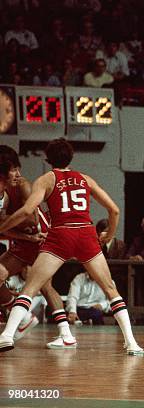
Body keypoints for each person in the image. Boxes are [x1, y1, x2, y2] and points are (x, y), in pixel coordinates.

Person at [0, 138, 142, 355]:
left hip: (61, 235)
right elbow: (114, 210)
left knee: (31, 287)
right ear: (71, 157)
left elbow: (28, 210)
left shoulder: (46, 180)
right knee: (111, 290)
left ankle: (7, 335)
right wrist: (109, 233)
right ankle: (131, 343)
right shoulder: (85, 179)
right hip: (86, 233)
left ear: (48, 159)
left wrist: (4, 226)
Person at [0, 146, 78, 348]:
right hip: (27, 240)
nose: (18, 174)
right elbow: (5, 230)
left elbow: (32, 219)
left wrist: (6, 221)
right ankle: (21, 316)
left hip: (41, 238)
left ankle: (65, 333)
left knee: (45, 286)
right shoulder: (4, 192)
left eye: (19, 168)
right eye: (14, 169)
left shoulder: (23, 186)